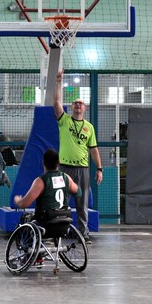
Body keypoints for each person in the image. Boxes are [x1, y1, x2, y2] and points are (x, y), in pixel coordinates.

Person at [53, 71, 102, 243]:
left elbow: (94, 149)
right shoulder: (64, 120)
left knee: (82, 202)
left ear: (85, 108)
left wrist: (100, 168)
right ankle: (59, 231)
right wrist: (59, 82)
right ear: (72, 107)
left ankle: (84, 232)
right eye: (75, 103)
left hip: (82, 170)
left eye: (81, 103)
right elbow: (57, 103)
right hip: (64, 168)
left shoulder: (89, 127)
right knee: (61, 201)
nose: (78, 105)